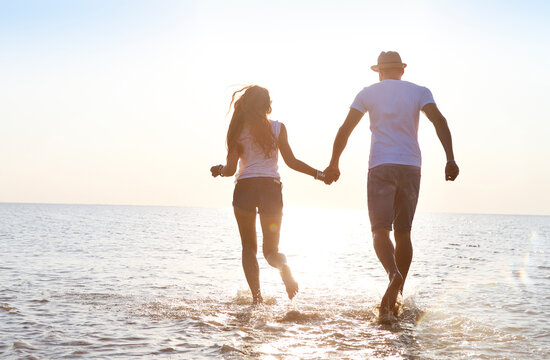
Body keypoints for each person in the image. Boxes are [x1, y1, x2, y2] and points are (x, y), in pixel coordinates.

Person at [324, 51, 459, 318]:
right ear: (402, 71)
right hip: (411, 167)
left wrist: (334, 163)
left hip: (381, 167)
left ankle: (392, 275)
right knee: (404, 233)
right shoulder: (419, 91)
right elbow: (439, 121)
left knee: (379, 232)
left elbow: (345, 129)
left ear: (379, 72)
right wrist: (450, 159)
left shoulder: (367, 93)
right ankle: (396, 296)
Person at [211, 85, 331, 304]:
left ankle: (257, 299)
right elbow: (291, 162)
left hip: (245, 188)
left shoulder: (238, 130)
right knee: (271, 251)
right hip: (271, 189)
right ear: (267, 105)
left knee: (248, 247)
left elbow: (229, 170)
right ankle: (283, 266)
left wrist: (218, 170)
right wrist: (319, 175)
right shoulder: (278, 128)